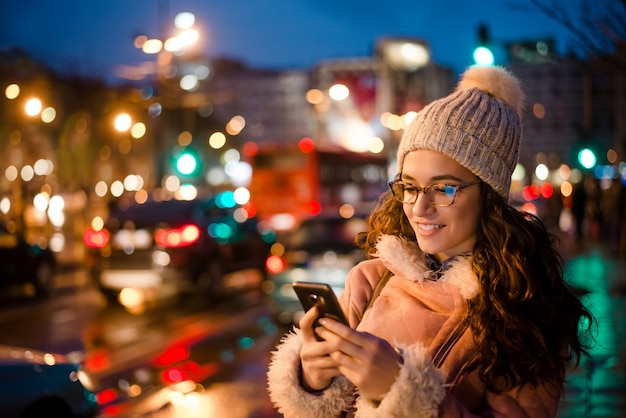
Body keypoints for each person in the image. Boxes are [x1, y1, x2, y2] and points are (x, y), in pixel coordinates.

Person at [267, 65, 594, 417]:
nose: (420, 207)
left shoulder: (524, 305)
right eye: (409, 186)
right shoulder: (370, 281)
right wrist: (314, 380)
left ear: (489, 196)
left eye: (444, 189)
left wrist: (400, 390)